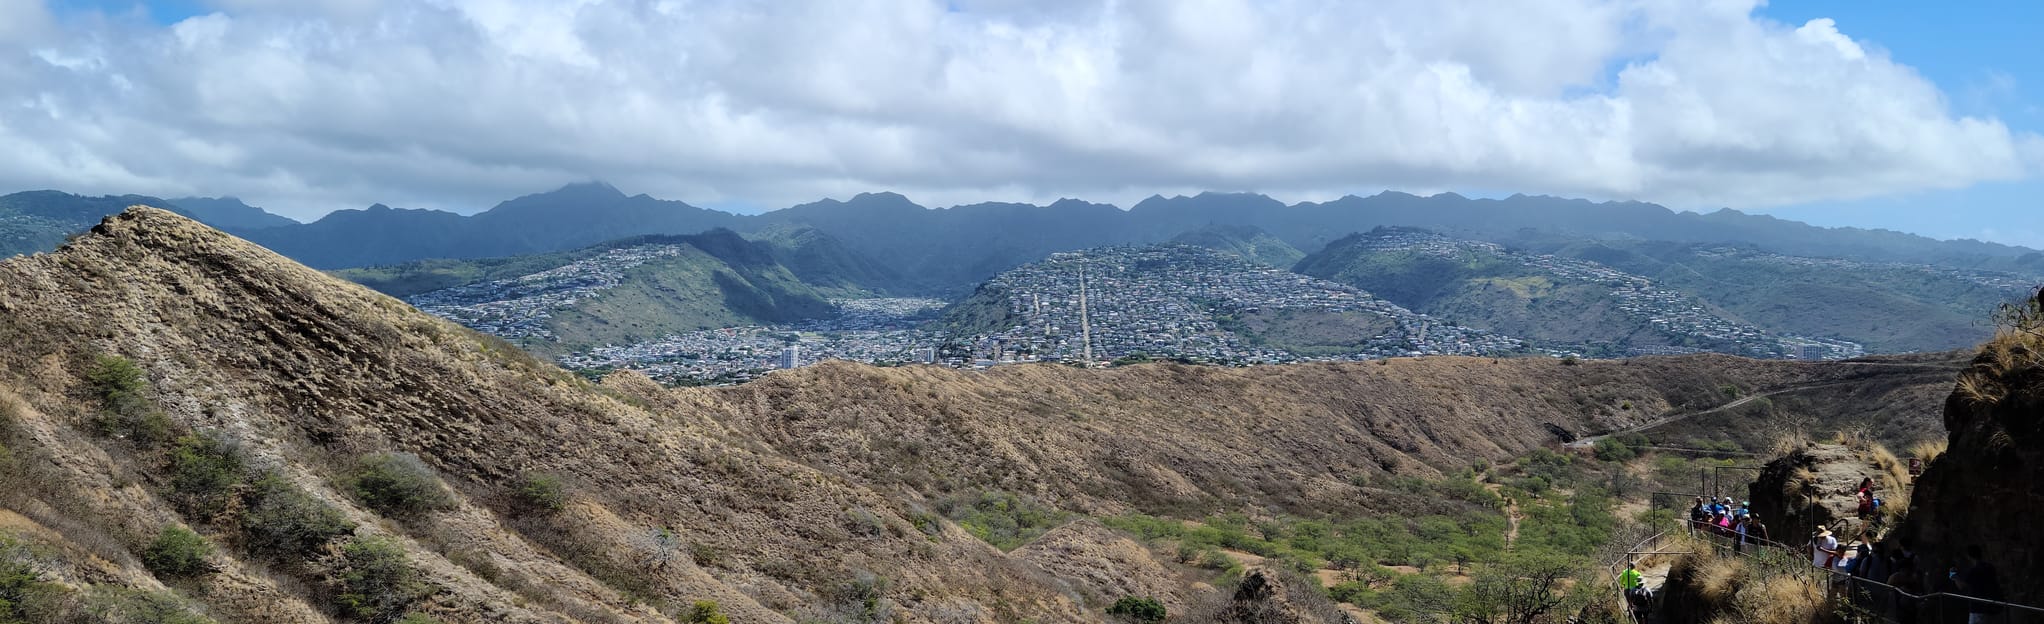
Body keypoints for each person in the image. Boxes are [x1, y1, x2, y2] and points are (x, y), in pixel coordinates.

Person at [1958, 545, 2004, 624]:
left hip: (1979, 610)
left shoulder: (1974, 570)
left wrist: (1953, 575)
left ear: (1969, 556)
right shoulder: (1990, 567)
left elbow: (1961, 586)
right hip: (1993, 607)